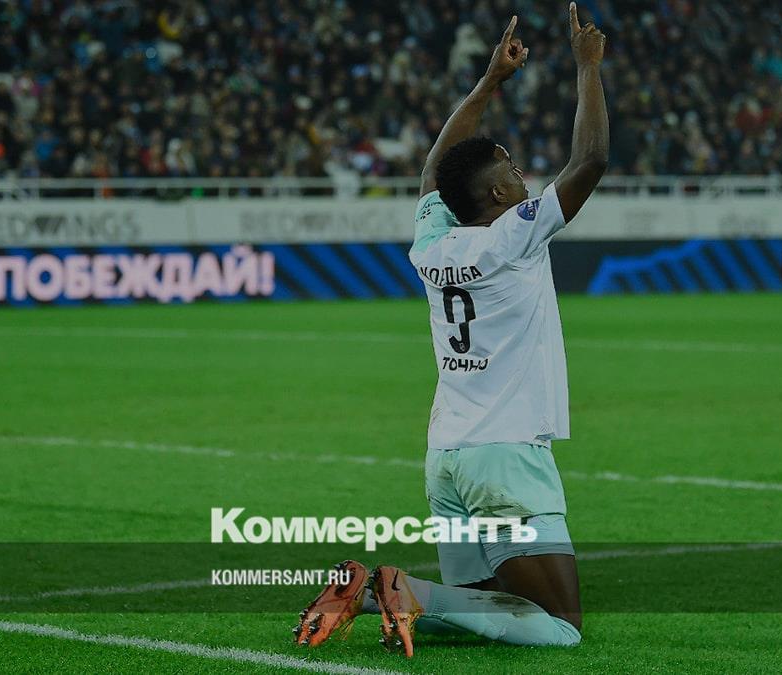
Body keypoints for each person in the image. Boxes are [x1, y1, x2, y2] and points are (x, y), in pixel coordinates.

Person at [294, 3, 607, 657]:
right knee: (559, 626)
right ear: (496, 197)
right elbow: (590, 161)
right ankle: (404, 590)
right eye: (512, 172)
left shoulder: (432, 245)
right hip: (506, 456)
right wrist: (588, 68)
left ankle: (378, 594)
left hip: (448, 457)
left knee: (485, 604)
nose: (523, 177)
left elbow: (432, 170)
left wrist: (489, 82)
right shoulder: (514, 237)